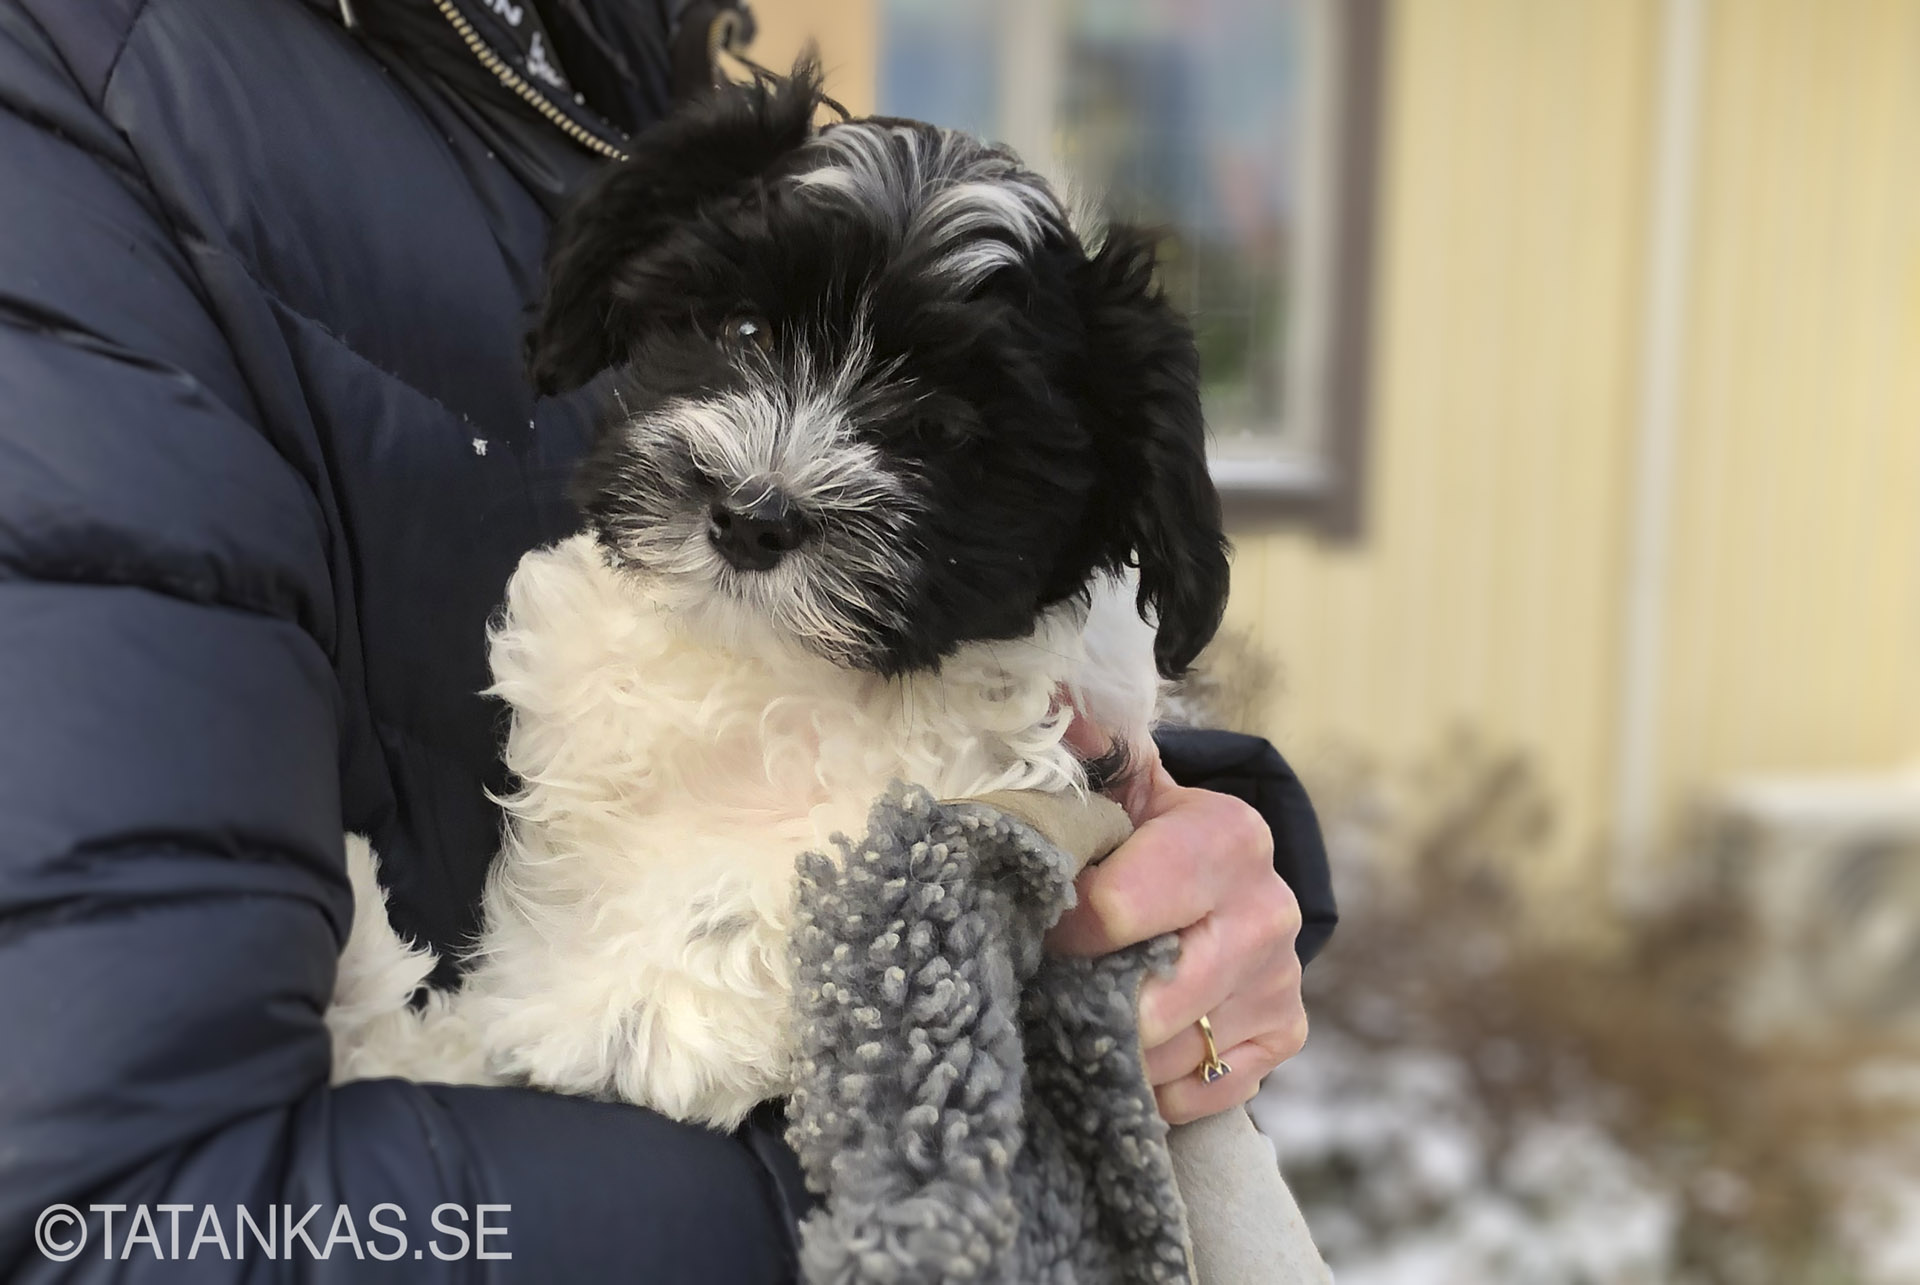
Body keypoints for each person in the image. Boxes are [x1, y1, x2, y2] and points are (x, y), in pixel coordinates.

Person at [0, 0, 1336, 1277]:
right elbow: (118, 1233)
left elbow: (1064, 753)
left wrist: (1190, 861)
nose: (767, 477)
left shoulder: (605, 55)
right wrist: (946, 1179)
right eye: (743, 334)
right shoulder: (80, 108)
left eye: (925, 435)